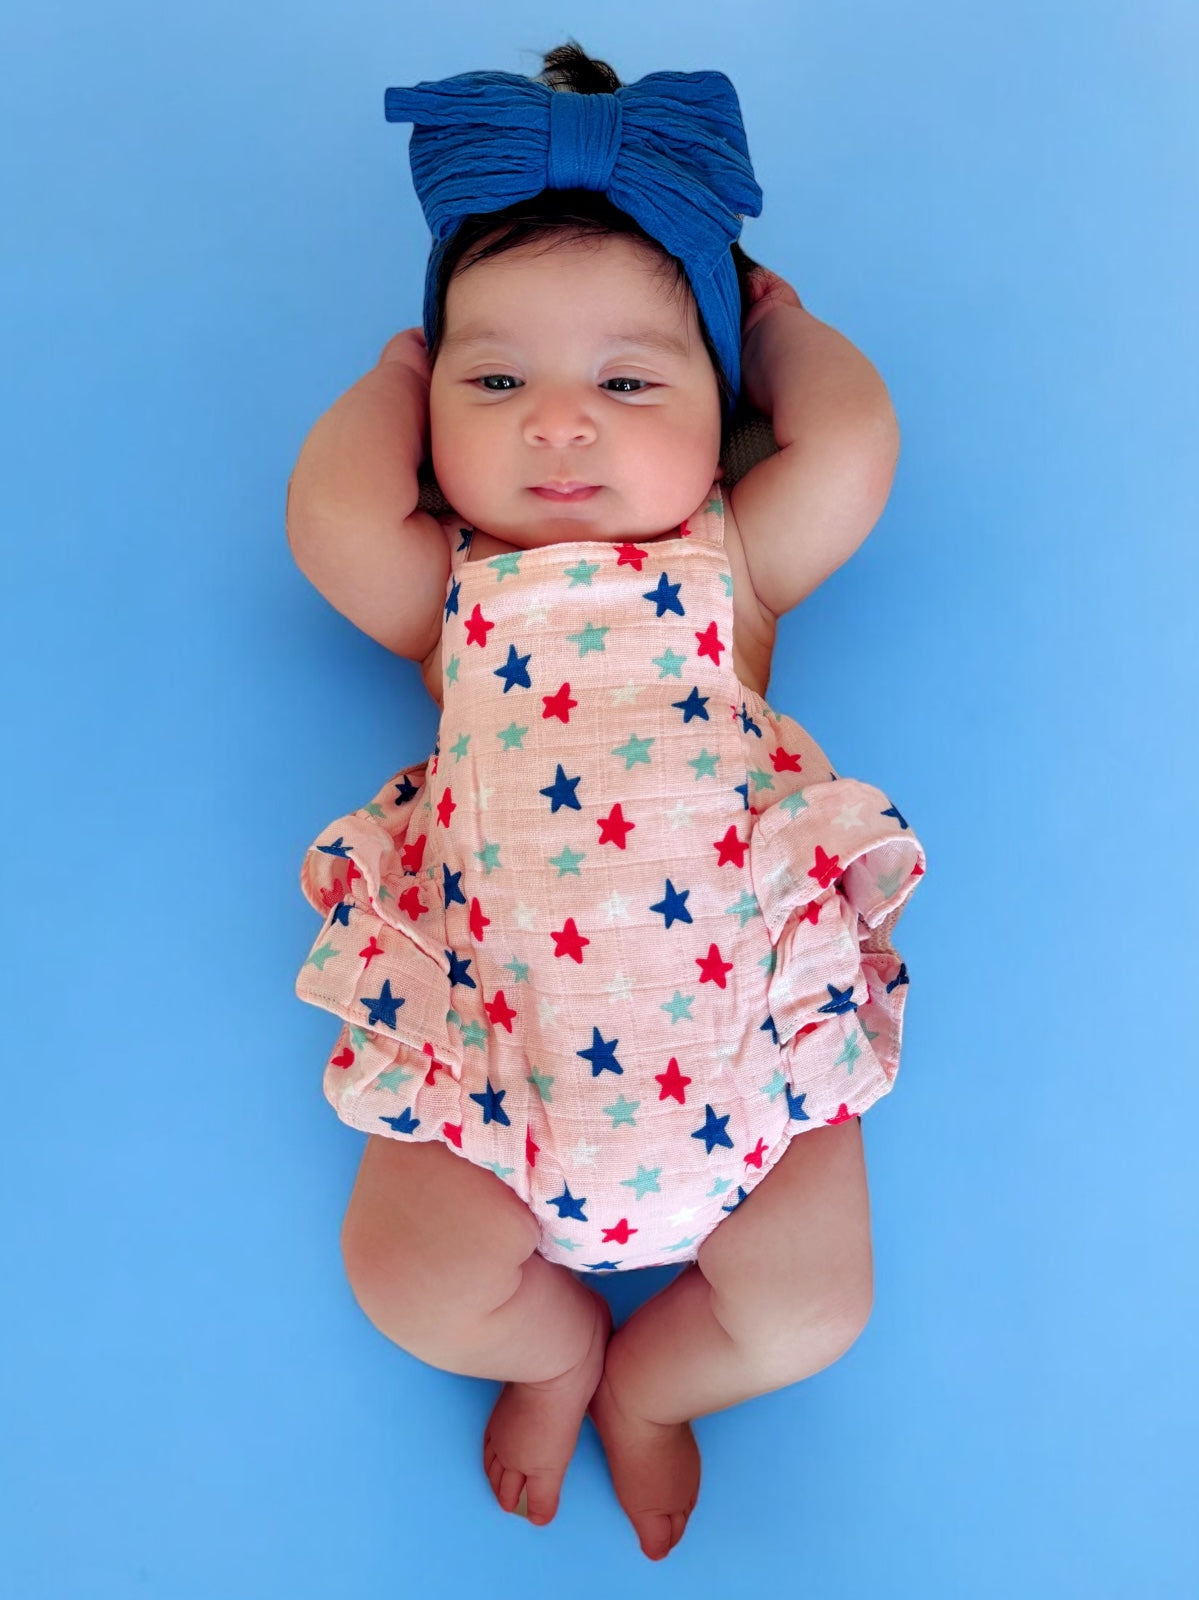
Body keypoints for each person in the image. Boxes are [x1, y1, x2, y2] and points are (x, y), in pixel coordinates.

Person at [287, 40, 926, 1563]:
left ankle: (650, 1382)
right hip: (496, 1083)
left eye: (629, 380)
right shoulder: (457, 594)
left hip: (751, 1074)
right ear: (434, 409)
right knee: (403, 1278)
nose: (558, 423)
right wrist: (388, 380)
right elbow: (329, 522)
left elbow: (852, 444)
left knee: (815, 1306)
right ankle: (553, 1347)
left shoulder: (732, 571)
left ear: (720, 406)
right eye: (491, 378)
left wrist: (791, 332)